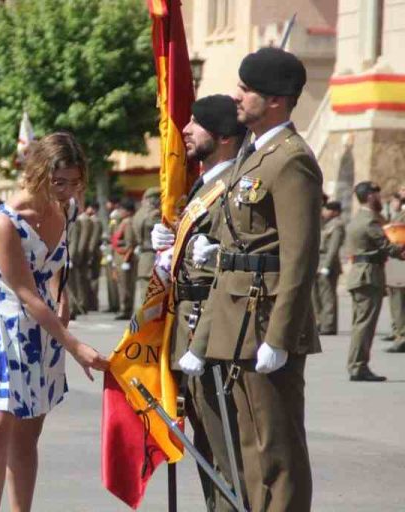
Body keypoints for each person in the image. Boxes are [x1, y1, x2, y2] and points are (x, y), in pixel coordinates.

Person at [0, 132, 108, 512]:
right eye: (59, 182)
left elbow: (53, 270)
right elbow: (24, 291)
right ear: (36, 173)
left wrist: (63, 295)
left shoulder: (62, 211)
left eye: (74, 182)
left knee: (27, 436)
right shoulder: (5, 221)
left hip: (40, 329)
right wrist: (74, 345)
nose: (67, 191)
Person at [189, 48, 323, 511]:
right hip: (236, 319)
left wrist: (281, 335)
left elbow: (300, 257)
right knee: (247, 445)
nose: (236, 96)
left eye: (247, 90)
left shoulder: (291, 160)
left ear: (276, 102)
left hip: (265, 319)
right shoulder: (255, 154)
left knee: (277, 450)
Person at [153, 94, 248, 511]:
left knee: (225, 453)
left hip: (209, 335)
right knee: (204, 449)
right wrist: (168, 248)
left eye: (198, 123)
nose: (186, 130)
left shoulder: (231, 189)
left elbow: (223, 277)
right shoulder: (205, 184)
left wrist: (200, 343)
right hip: (186, 330)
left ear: (224, 137)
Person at [346, 182, 405, 372]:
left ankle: (356, 365)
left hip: (359, 274)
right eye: (377, 195)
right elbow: (387, 246)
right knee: (365, 325)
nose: (380, 198)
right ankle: (358, 366)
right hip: (368, 275)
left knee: (360, 324)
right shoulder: (370, 220)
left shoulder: (359, 218)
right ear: (370, 197)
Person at [312, 200, 345, 335]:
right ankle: (319, 322)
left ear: (335, 212)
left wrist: (327, 266)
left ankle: (329, 325)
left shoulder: (337, 225)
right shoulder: (326, 224)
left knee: (327, 296)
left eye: (327, 210)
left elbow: (333, 248)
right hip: (318, 262)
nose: (324, 212)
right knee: (316, 296)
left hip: (327, 264)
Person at [386, 193, 405, 351]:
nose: (392, 203)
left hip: (401, 260)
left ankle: (402, 336)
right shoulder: (397, 214)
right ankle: (397, 332)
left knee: (399, 301)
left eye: (395, 200)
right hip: (395, 260)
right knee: (395, 300)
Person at [113, 198, 137, 320]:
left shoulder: (127, 222)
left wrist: (126, 259)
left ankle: (125, 309)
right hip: (119, 256)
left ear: (128, 211)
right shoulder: (122, 221)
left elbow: (130, 243)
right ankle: (124, 308)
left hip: (124, 258)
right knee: (121, 284)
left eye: (122, 209)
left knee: (125, 285)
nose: (120, 211)